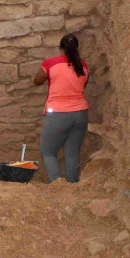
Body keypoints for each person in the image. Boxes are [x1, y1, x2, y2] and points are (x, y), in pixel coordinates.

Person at [33, 33, 90, 183]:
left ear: (61, 48)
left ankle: (57, 185)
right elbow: (83, 85)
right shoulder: (83, 65)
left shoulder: (50, 63)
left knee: (48, 151)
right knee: (72, 152)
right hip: (80, 113)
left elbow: (37, 81)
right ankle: (72, 185)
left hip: (58, 113)